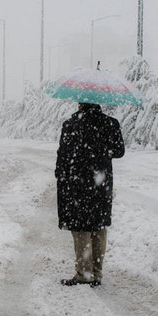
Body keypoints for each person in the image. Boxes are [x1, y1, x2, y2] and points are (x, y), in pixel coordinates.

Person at [55, 102, 125, 287]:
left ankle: (84, 273)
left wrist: (61, 177)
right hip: (101, 182)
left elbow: (63, 156)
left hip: (78, 184)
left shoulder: (71, 124)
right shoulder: (110, 123)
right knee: (99, 224)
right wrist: (101, 149)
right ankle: (97, 272)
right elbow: (119, 151)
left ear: (81, 103)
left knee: (81, 227)